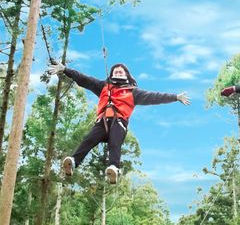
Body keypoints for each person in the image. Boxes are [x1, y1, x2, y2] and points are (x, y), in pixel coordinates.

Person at [48, 62, 191, 184]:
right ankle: (73, 162)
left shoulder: (133, 92)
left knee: (114, 143)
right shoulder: (103, 86)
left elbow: (154, 97)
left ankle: (113, 168)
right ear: (111, 74)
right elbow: (84, 79)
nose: (118, 72)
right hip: (102, 121)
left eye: (121, 71)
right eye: (116, 71)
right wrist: (65, 69)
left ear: (126, 75)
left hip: (119, 122)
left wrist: (175, 97)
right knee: (89, 139)